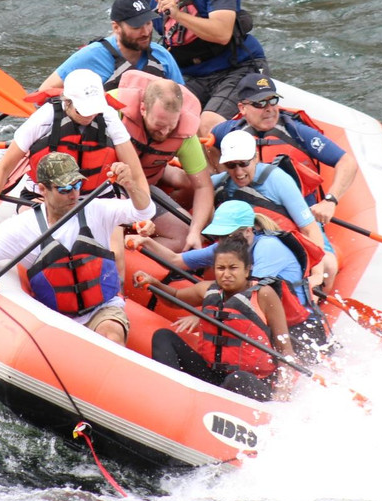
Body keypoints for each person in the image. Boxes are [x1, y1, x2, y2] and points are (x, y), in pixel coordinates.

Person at [0, 153, 155, 346]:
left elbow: (145, 211)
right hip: (55, 316)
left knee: (110, 336)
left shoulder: (96, 210)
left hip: (102, 308)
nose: (73, 194)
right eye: (64, 188)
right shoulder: (24, 227)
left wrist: (130, 185)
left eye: (77, 185)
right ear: (43, 189)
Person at [130, 201, 329, 359]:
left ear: (249, 231)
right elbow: (177, 260)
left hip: (300, 330)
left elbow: (250, 298)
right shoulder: (228, 247)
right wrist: (146, 242)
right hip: (262, 326)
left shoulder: (268, 248)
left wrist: (201, 317)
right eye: (221, 235)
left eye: (230, 234)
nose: (225, 241)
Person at [212, 72, 356, 279]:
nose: (269, 108)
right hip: (248, 216)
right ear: (242, 108)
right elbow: (209, 145)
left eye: (273, 100)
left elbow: (347, 162)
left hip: (298, 215)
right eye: (260, 103)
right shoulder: (228, 132)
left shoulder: (297, 132)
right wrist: (218, 171)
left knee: (328, 267)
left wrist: (330, 201)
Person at [0, 68, 146, 234]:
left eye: (94, 110)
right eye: (82, 111)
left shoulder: (108, 116)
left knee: (114, 237)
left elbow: (136, 173)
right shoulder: (44, 118)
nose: (90, 116)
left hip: (96, 199)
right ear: (67, 102)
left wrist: (143, 212)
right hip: (47, 198)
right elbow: (4, 168)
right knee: (48, 232)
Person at [137, 0, 267, 136]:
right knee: (160, 117)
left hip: (236, 68)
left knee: (206, 125)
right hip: (190, 74)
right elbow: (130, 38)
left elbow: (222, 34)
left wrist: (177, 14)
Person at [134, 232, 295, 401]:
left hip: (251, 382)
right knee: (163, 337)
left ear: (247, 269)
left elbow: (285, 350)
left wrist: (283, 389)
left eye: (233, 268)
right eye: (220, 268)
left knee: (237, 378)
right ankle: (169, 395)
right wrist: (154, 283)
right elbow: (175, 298)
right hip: (212, 375)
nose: (226, 274)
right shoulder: (208, 289)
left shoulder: (263, 294)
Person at [212, 129, 332, 290]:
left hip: (288, 245)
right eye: (231, 165)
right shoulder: (220, 182)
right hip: (250, 248)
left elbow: (310, 229)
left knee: (329, 267)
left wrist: (316, 274)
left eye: (244, 163)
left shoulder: (278, 180)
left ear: (255, 158)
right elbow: (196, 185)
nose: (238, 172)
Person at [113, 70, 213, 250]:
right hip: (108, 185)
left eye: (171, 126)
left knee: (184, 235)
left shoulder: (185, 133)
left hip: (146, 184)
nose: (165, 132)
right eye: (159, 125)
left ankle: (132, 248)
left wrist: (195, 231)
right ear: (143, 109)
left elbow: (203, 186)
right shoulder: (113, 108)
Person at [38, 0, 184, 93]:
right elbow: (45, 91)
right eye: (136, 27)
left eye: (148, 23)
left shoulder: (162, 56)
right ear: (116, 27)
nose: (145, 32)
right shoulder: (91, 55)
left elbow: (185, 102)